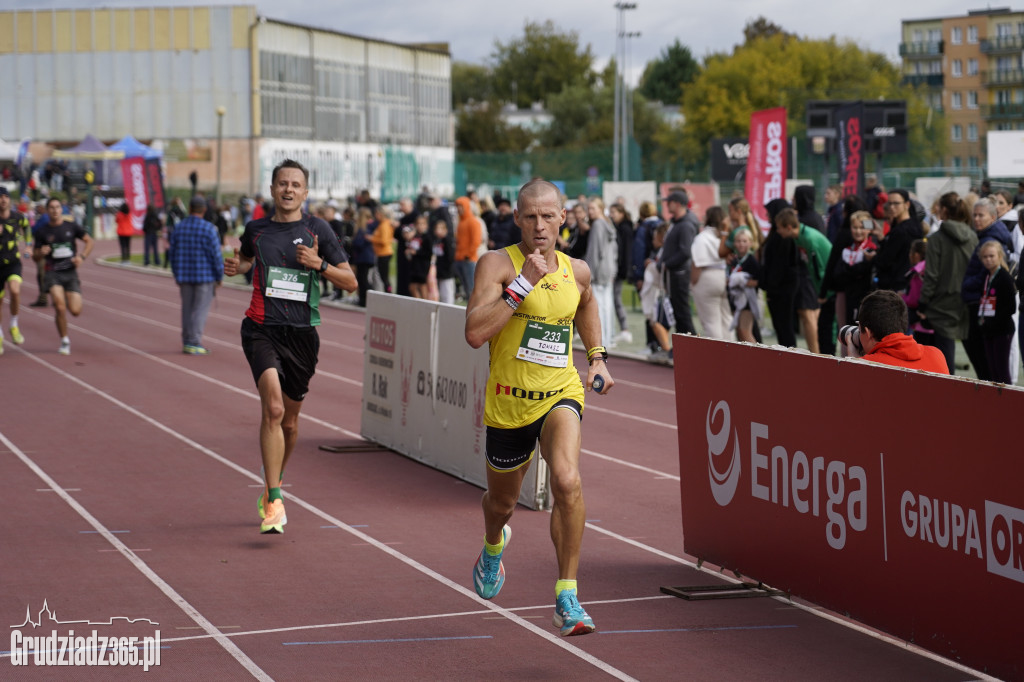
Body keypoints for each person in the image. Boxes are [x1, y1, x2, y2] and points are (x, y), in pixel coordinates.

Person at [464, 178, 613, 637]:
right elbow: (474, 333)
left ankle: (566, 596)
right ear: (517, 219)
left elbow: (585, 301)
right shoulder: (496, 264)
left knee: (567, 479)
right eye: (530, 216)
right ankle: (493, 546)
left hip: (560, 392)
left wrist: (598, 357)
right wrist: (522, 285)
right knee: (502, 504)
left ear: (563, 218)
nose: (540, 225)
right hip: (509, 405)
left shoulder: (577, 270)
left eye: (549, 216)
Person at [222, 159, 357, 534]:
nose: (288, 190)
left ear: (305, 192)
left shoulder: (318, 230)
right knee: (274, 409)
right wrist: (239, 267)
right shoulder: (257, 229)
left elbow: (351, 282)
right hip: (261, 328)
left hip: (302, 335)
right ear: (272, 189)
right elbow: (248, 257)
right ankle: (276, 500)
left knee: (292, 423)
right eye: (282, 183)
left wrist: (319, 265)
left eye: (296, 185)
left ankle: (273, 480)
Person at [917, 192, 977, 375]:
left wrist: (923, 302)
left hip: (941, 302)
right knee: (975, 354)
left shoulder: (936, 239)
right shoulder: (973, 236)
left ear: (943, 210)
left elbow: (932, 275)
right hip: (967, 299)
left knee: (943, 357)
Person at [33, 197, 94, 355]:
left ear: (62, 209)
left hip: (70, 272)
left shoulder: (71, 226)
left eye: (57, 207)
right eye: (51, 208)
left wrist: (81, 257)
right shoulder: (42, 232)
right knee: (60, 307)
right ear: (47, 211)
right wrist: (41, 252)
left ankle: (68, 296)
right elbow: (35, 256)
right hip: (52, 273)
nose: (55, 210)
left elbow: (89, 241)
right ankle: (64, 340)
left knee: (75, 311)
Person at [961, 197, 1014, 380]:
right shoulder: (984, 237)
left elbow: (985, 275)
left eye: (980, 215)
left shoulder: (989, 241)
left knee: (993, 370)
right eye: (974, 215)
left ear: (992, 217)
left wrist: (965, 284)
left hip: (983, 308)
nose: (976, 219)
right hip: (982, 306)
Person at [169, 196, 223, 355]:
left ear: (190, 208)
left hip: (184, 276)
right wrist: (219, 276)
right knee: (200, 309)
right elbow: (216, 255)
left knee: (186, 309)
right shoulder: (209, 229)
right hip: (204, 276)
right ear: (204, 210)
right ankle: (194, 341)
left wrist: (176, 274)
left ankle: (187, 340)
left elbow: (172, 253)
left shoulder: (179, 228)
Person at [847, 289, 949, 374]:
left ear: (868, 333)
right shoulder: (936, 355)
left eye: (860, 330)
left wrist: (852, 362)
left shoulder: (864, 368)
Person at [776, 207, 832, 353]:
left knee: (828, 326)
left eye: (780, 228)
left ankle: (821, 354)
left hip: (829, 285)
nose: (778, 231)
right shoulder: (799, 237)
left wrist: (822, 293)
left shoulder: (808, 239)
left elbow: (819, 267)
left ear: (789, 227)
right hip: (821, 284)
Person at [658, 190, 699, 335]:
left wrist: (667, 264)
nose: (667, 205)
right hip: (673, 275)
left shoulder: (686, 225)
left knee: (682, 313)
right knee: (677, 313)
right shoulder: (677, 223)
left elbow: (685, 252)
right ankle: (684, 345)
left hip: (679, 275)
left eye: (669, 202)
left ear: (677, 204)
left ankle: (693, 345)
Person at [976, 240, 1018, 384]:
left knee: (1002, 370)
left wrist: (994, 322)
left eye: (992, 256)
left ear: (1000, 256)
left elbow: (1010, 307)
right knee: (992, 370)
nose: (988, 260)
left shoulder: (1005, 278)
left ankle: (1008, 402)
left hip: (1002, 330)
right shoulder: (987, 277)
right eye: (985, 257)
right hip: (989, 329)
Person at [690, 206, 732, 339]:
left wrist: (693, 283)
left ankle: (718, 354)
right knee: (726, 319)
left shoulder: (702, 237)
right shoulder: (723, 236)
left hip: (707, 276)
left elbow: (697, 263)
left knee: (710, 321)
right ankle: (731, 350)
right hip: (722, 275)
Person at [0, 186, 31, 353]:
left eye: (5, 196)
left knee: (15, 290)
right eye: (0, 197)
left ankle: (13, 325)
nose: (3, 199)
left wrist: (28, 246)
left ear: (9, 200)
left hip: (13, 262)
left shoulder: (18, 217)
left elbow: (27, 227)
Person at [726, 227, 761, 343]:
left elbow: (759, 281)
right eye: (739, 241)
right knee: (739, 331)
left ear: (750, 243)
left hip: (747, 302)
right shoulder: (734, 260)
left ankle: (757, 357)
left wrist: (743, 282)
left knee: (745, 330)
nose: (741, 244)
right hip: (735, 300)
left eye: (744, 241)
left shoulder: (752, 261)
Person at [608, 203, 634, 344]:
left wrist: (623, 271)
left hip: (619, 271)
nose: (612, 215)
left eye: (614, 212)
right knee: (614, 300)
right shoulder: (619, 227)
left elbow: (626, 251)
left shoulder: (625, 229)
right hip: (618, 270)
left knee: (616, 300)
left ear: (621, 213)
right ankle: (621, 329)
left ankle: (624, 329)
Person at [454, 196, 482, 298]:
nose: (458, 209)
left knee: (471, 289)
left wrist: (467, 255)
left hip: (469, 260)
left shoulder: (473, 221)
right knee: (466, 289)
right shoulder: (460, 222)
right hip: (459, 259)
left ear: (466, 207)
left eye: (460, 206)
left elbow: (476, 241)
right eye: (457, 206)